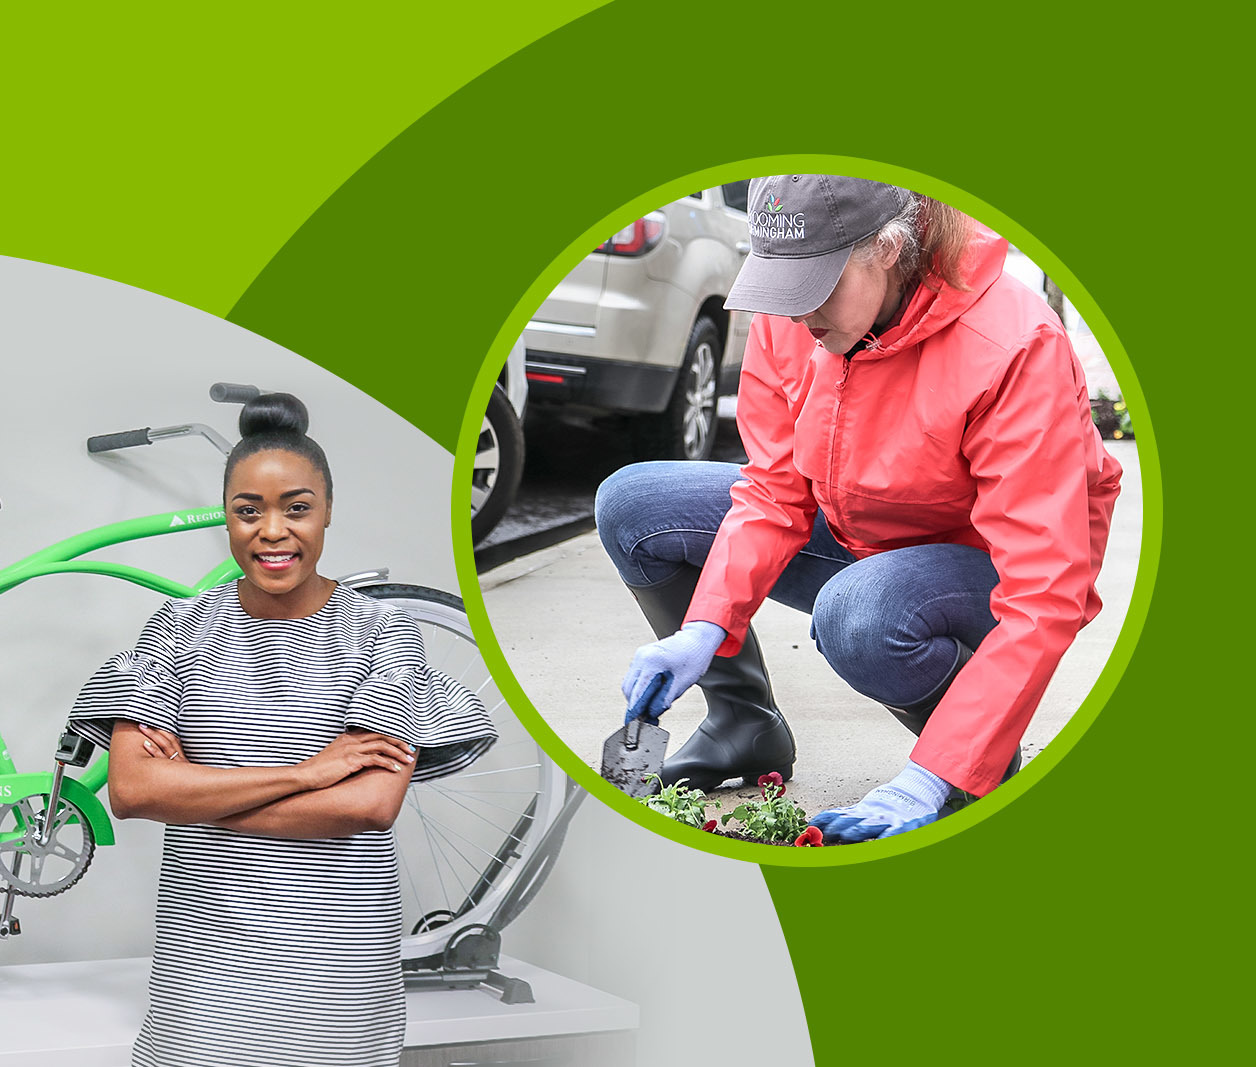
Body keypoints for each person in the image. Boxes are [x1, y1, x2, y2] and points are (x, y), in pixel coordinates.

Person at [598, 174, 1122, 843]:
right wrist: (704, 626)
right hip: (859, 532)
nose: (794, 316)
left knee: (860, 613)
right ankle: (743, 724)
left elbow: (1044, 591)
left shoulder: (1013, 345)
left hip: (981, 570)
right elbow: (772, 490)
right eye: (780, 286)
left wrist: (932, 774)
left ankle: (967, 756)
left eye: (813, 286)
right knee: (634, 505)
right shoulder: (793, 318)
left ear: (888, 247)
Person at [67, 393, 497, 1066]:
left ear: (327, 511)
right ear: (227, 516)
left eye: (297, 507)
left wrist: (194, 794)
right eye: (249, 510)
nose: (272, 530)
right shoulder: (177, 629)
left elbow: (369, 805)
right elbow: (131, 788)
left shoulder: (384, 633)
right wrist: (308, 772)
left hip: (338, 983)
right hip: (202, 981)